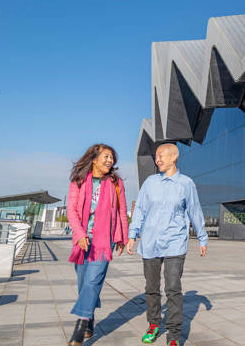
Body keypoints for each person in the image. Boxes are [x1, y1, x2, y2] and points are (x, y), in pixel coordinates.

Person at [127, 143, 208, 346]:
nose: (158, 160)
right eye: (156, 156)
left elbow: (195, 211)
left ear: (174, 156)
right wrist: (132, 235)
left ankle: (173, 335)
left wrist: (202, 237)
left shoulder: (186, 183)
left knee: (173, 288)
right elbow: (140, 211)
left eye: (161, 155)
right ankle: (154, 324)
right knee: (151, 287)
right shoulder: (150, 182)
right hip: (150, 243)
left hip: (174, 243)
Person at [66, 144, 129, 346]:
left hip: (105, 240)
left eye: (112, 157)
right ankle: (89, 316)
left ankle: (80, 328)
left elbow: (122, 210)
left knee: (93, 281)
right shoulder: (78, 180)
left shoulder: (116, 182)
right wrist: (79, 233)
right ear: (94, 159)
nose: (110, 160)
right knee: (84, 283)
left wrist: (123, 236)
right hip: (83, 240)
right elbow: (71, 211)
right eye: (106, 156)